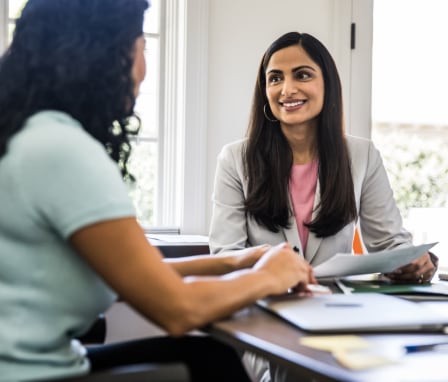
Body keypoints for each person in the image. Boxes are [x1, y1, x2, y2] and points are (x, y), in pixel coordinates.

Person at [0, 4, 316, 381]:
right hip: (34, 373)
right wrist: (269, 276)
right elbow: (178, 309)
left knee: (208, 357)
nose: (144, 70)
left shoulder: (28, 136)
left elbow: (135, 272)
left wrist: (235, 263)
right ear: (107, 54)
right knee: (211, 363)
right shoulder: (62, 150)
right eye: (142, 48)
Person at [208, 31, 438, 381]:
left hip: (341, 320)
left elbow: (390, 244)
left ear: (327, 84)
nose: (287, 89)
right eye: (275, 78)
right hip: (267, 320)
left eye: (302, 74)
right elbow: (225, 256)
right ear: (264, 91)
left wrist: (413, 262)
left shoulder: (361, 156)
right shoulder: (235, 159)